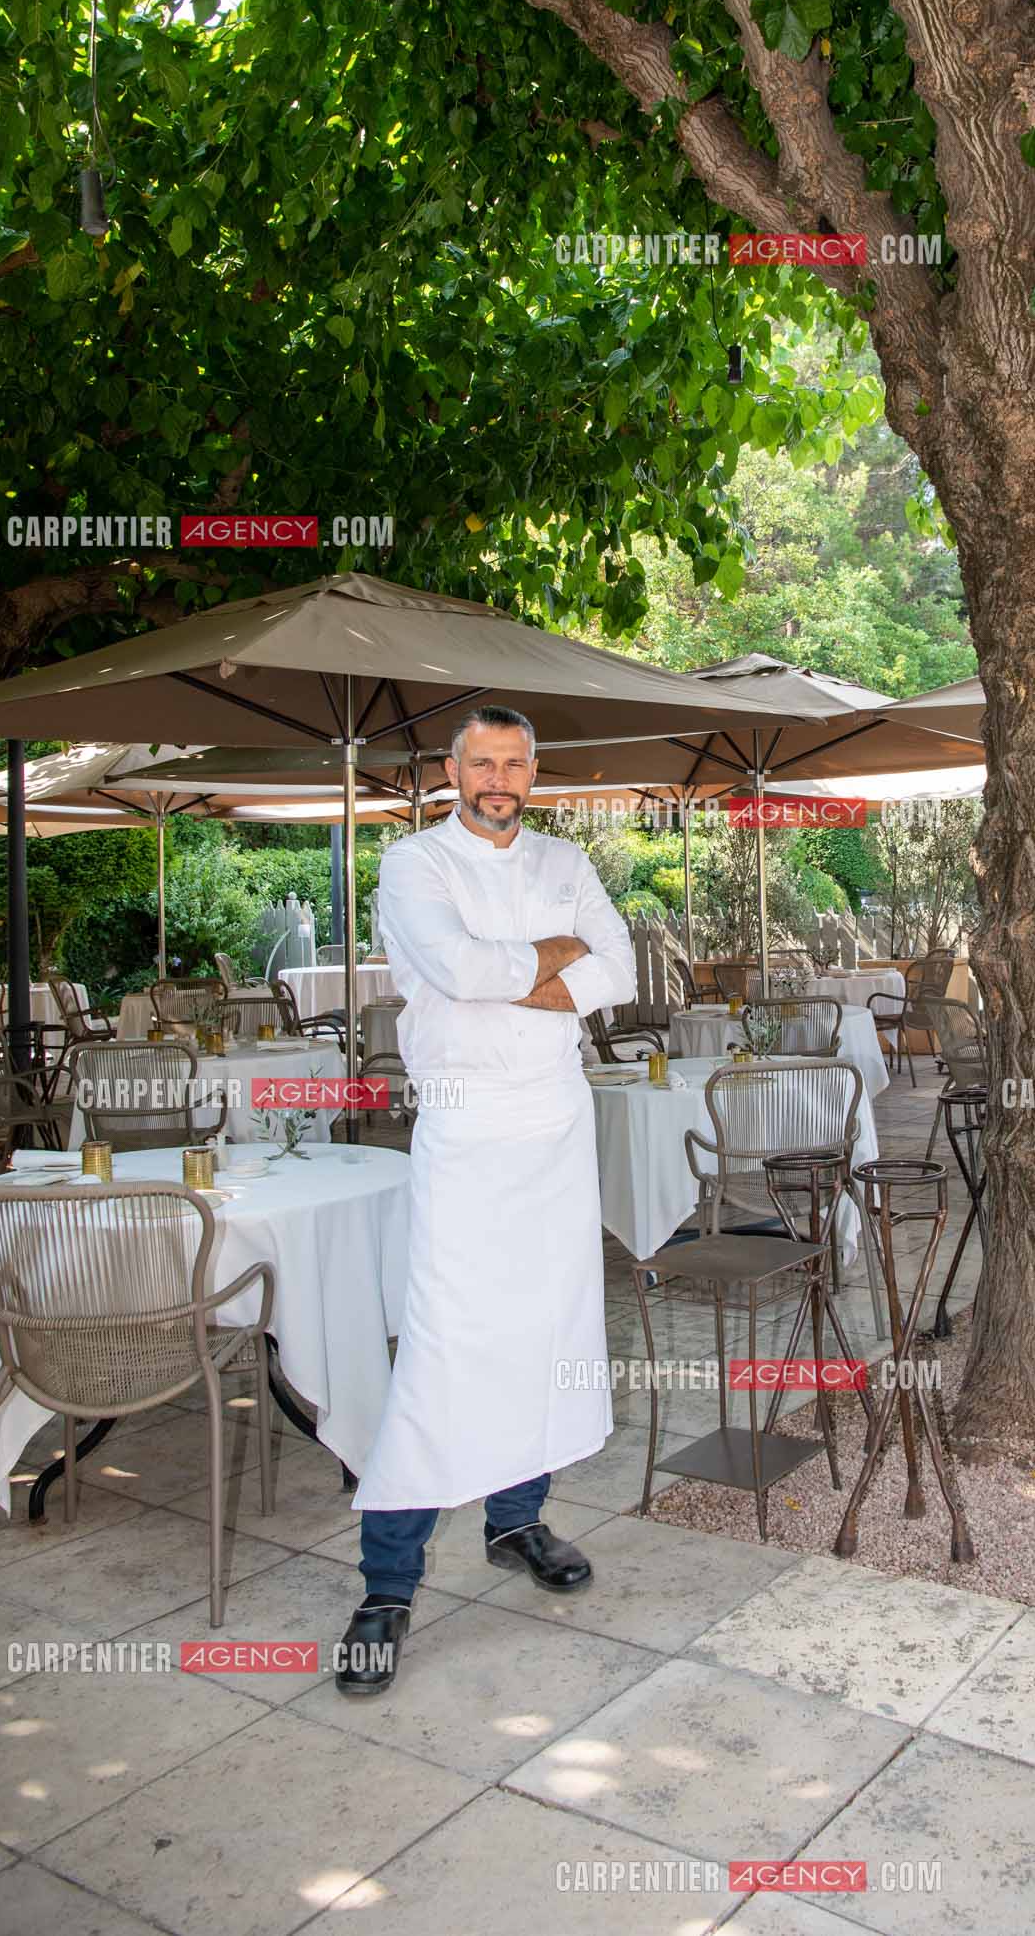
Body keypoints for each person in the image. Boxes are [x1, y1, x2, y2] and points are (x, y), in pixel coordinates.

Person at [335, 705, 636, 1696]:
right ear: (451, 770)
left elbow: (621, 970)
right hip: (462, 1127)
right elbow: (456, 969)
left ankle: (518, 1523)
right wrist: (557, 956)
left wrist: (515, 969)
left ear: (533, 770)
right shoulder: (413, 865)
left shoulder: (565, 862)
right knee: (445, 1348)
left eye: (514, 762)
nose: (498, 777)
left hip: (552, 1123)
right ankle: (387, 1585)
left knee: (543, 1333)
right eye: (482, 762)